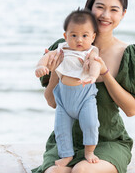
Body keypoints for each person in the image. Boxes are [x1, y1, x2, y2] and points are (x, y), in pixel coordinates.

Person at [32, 0, 135, 173]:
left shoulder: (129, 54)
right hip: (66, 143)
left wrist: (105, 73)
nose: (105, 15)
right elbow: (52, 102)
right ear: (89, 9)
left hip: (108, 142)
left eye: (114, 9)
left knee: (83, 170)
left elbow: (131, 110)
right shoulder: (65, 48)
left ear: (123, 14)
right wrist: (56, 71)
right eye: (100, 7)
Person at [35, 9, 101, 167]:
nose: (79, 40)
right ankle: (66, 155)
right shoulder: (61, 48)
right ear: (65, 36)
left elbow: (96, 63)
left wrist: (93, 75)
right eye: (74, 35)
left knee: (91, 123)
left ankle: (89, 151)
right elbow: (47, 57)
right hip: (63, 99)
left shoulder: (91, 51)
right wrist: (40, 66)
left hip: (85, 97)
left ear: (93, 37)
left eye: (85, 36)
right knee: (61, 128)